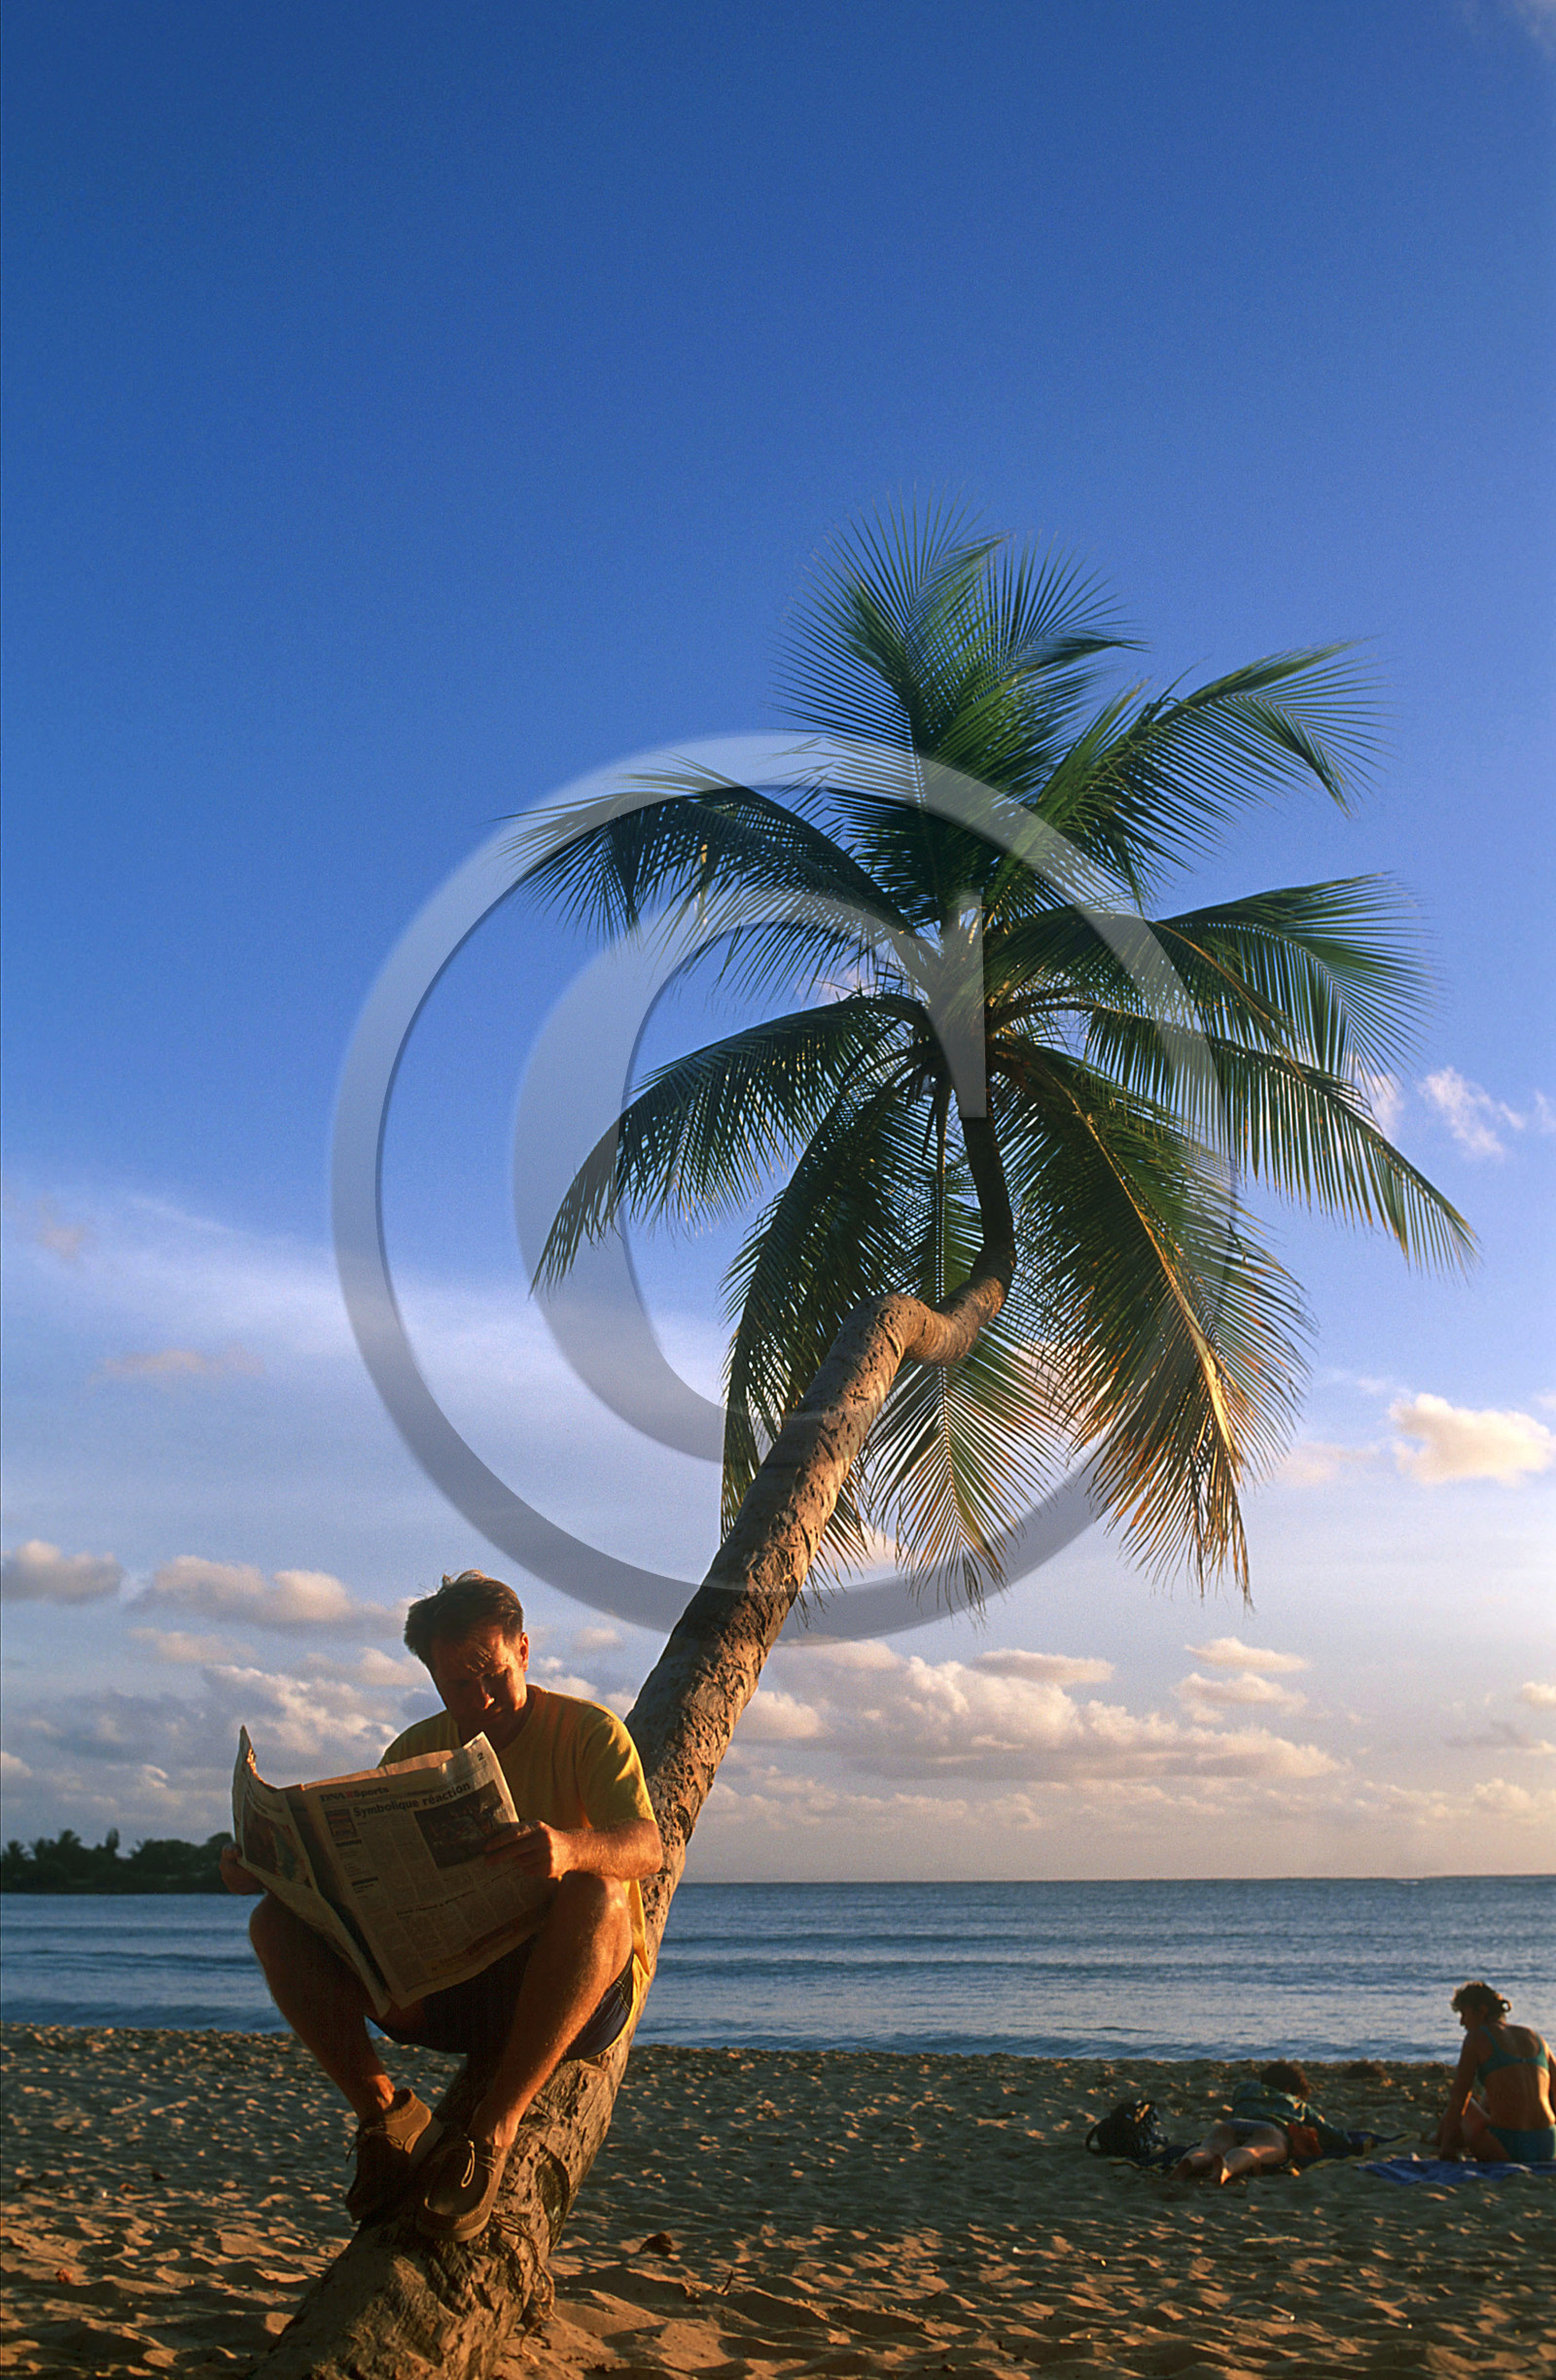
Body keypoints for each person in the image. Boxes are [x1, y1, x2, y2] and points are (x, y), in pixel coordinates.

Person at [221, 1570, 662, 2244]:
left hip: (569, 1997)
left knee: (598, 1892)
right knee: (272, 1926)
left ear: (523, 1648)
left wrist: (570, 1849)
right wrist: (268, 1872)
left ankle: (493, 2128)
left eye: (492, 1673)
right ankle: (387, 2117)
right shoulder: (416, 1750)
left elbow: (647, 1847)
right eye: (458, 1682)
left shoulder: (587, 1731)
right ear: (431, 1674)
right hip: (447, 1988)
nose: (480, 1697)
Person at [1436, 1981, 1555, 2164]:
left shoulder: (1476, 2037)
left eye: (1464, 2014)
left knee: (1466, 2106)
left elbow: (1460, 2096)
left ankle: (1438, 2139)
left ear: (1481, 2010)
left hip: (1507, 2146)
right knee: (1491, 2095)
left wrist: (1446, 2148)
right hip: (1548, 2143)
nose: (1462, 2022)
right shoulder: (1535, 2036)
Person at [1175, 2061, 1346, 2185]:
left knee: (1210, 2148)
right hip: (1269, 2129)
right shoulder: (1296, 2103)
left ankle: (1189, 2162)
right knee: (1252, 2151)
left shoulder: (1244, 2088)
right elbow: (1331, 2133)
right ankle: (1227, 2168)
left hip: (1233, 2124)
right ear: (1288, 2089)